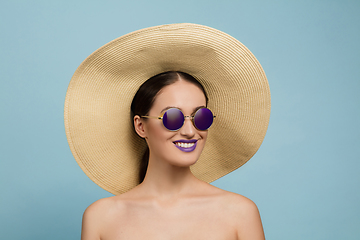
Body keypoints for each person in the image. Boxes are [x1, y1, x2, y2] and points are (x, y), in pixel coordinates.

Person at [65, 24, 270, 240]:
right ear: (140, 126)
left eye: (201, 117)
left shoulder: (241, 213)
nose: (191, 131)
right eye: (173, 118)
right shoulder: (100, 217)